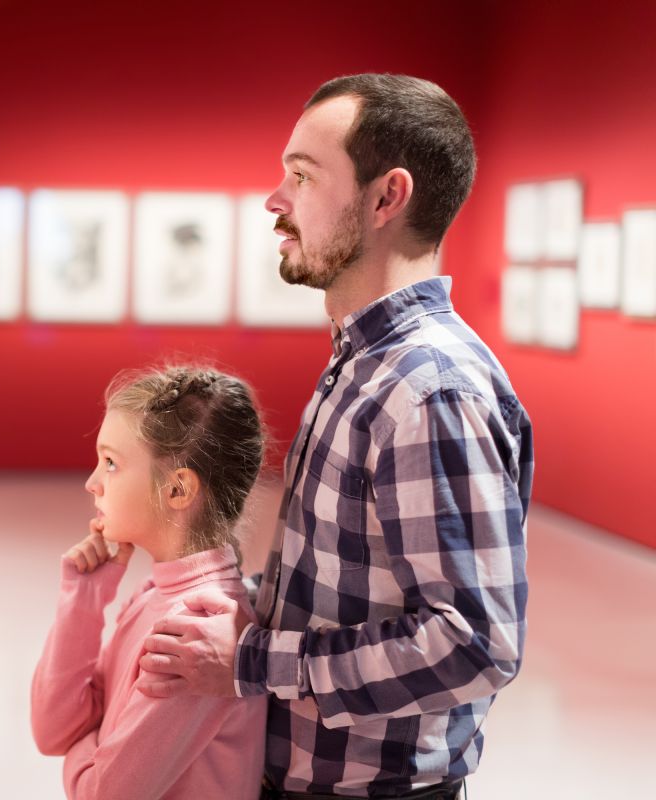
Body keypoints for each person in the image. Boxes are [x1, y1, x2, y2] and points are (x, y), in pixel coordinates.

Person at [138, 74, 533, 800]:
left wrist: (251, 662)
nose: (274, 200)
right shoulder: (362, 364)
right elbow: (344, 575)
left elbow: (477, 644)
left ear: (387, 198)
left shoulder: (429, 392)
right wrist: (232, 598)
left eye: (301, 176)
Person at [31, 365, 271, 798]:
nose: (92, 483)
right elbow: (53, 728)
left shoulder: (195, 630)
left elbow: (102, 793)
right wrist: (84, 598)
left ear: (177, 490)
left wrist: (90, 744)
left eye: (111, 463)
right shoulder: (156, 596)